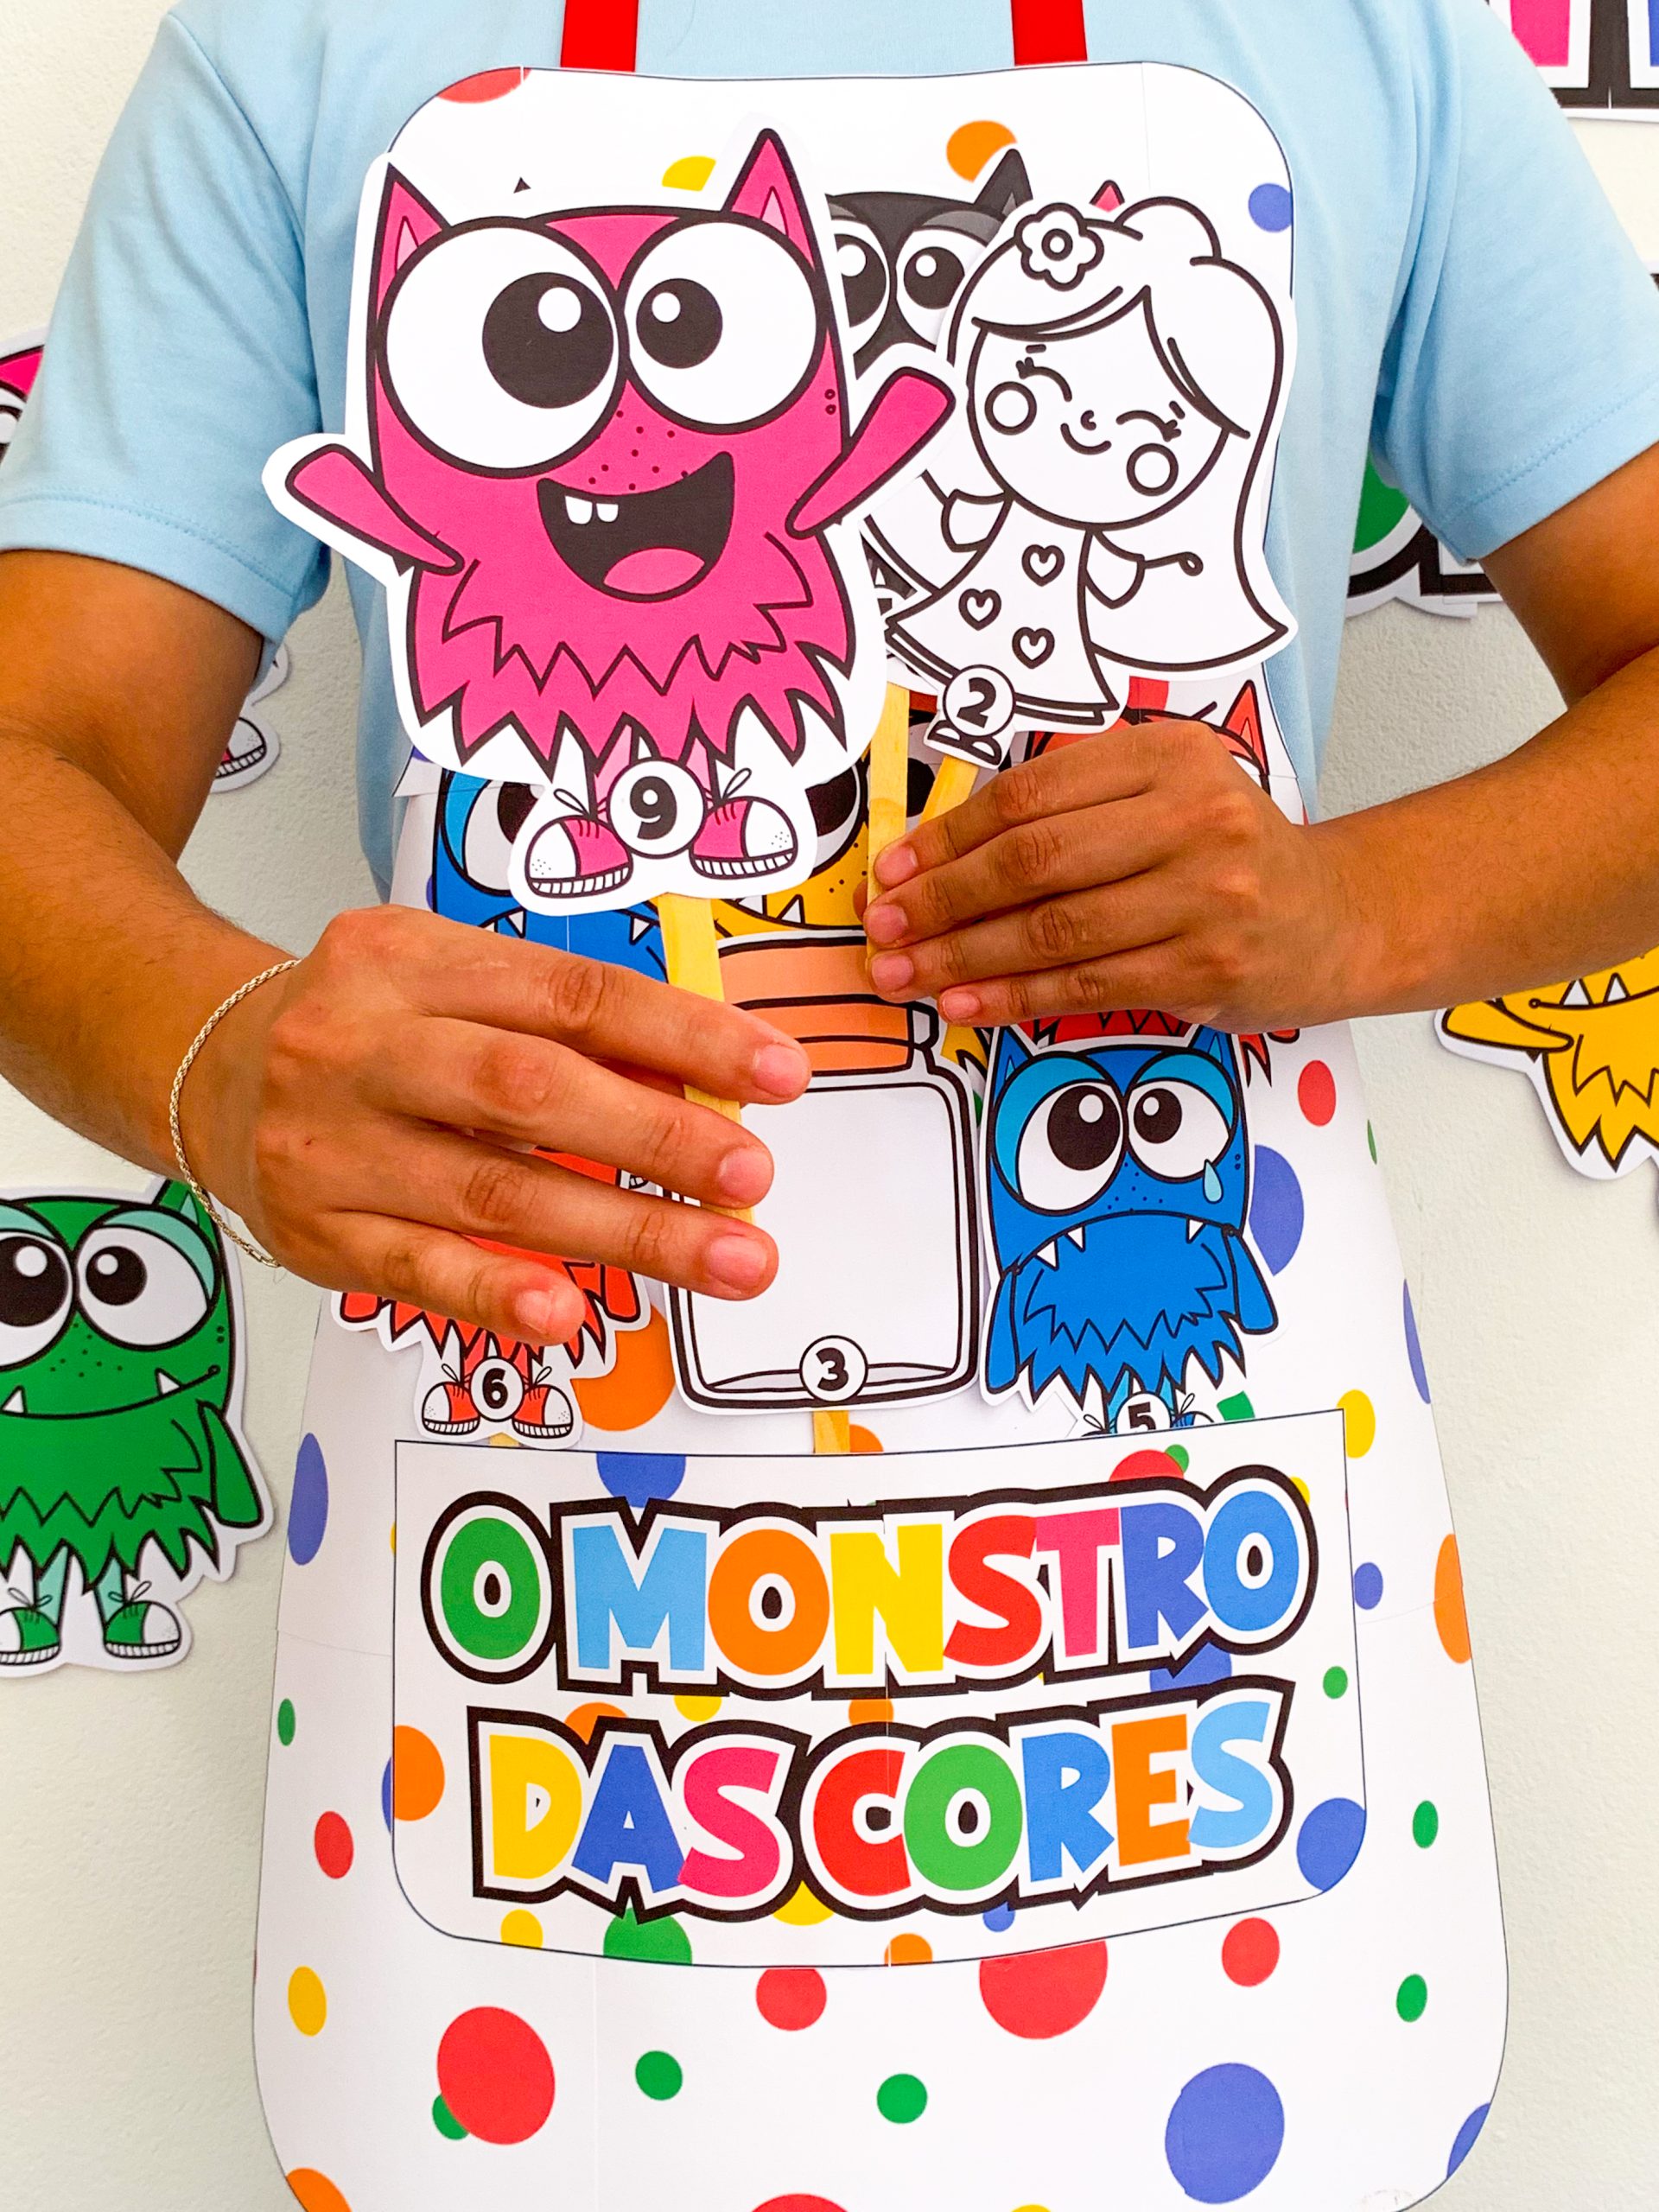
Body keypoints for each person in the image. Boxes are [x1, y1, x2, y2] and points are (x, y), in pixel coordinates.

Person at [3, 2, 1659, 2205]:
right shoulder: (310, 43)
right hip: (548, 1654)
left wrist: (1345, 905)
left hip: (1193, 1632)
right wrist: (215, 1051)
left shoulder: (1359, 34)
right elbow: (40, 749)